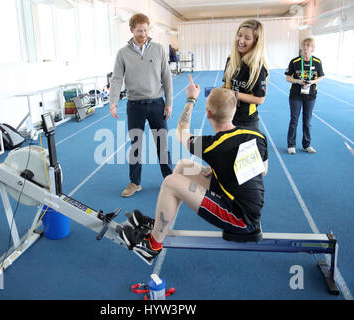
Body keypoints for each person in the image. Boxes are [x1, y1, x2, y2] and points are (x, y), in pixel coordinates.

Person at [119, 75, 269, 265]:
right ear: (234, 110)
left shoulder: (214, 146)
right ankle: (159, 225)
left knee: (170, 182)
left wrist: (191, 98)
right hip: (245, 202)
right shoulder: (256, 135)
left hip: (240, 218)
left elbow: (181, 132)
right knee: (183, 166)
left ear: (208, 113)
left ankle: (152, 247)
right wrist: (219, 170)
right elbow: (262, 170)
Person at [109, 13, 173, 197]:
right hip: (135, 106)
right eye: (139, 30)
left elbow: (166, 77)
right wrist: (113, 102)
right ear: (131, 30)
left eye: (145, 30)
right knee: (135, 145)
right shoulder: (123, 53)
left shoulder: (159, 49)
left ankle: (169, 180)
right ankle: (134, 182)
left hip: (156, 104)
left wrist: (169, 103)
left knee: (162, 144)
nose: (143, 34)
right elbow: (116, 79)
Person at [222, 19, 269, 130]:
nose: (241, 40)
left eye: (247, 38)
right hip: (228, 117)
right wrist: (216, 94)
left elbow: (259, 99)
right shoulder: (231, 59)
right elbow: (226, 85)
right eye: (239, 35)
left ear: (256, 42)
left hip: (247, 122)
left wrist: (234, 94)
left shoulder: (257, 67)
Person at [285, 37, 324, 154]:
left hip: (310, 96)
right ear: (301, 47)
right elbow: (287, 77)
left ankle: (307, 144)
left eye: (308, 45)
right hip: (296, 95)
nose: (306, 47)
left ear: (313, 48)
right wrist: (298, 81)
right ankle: (291, 145)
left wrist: (311, 82)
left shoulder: (317, 62)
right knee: (294, 120)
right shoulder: (294, 61)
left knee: (307, 121)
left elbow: (321, 77)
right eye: (304, 45)